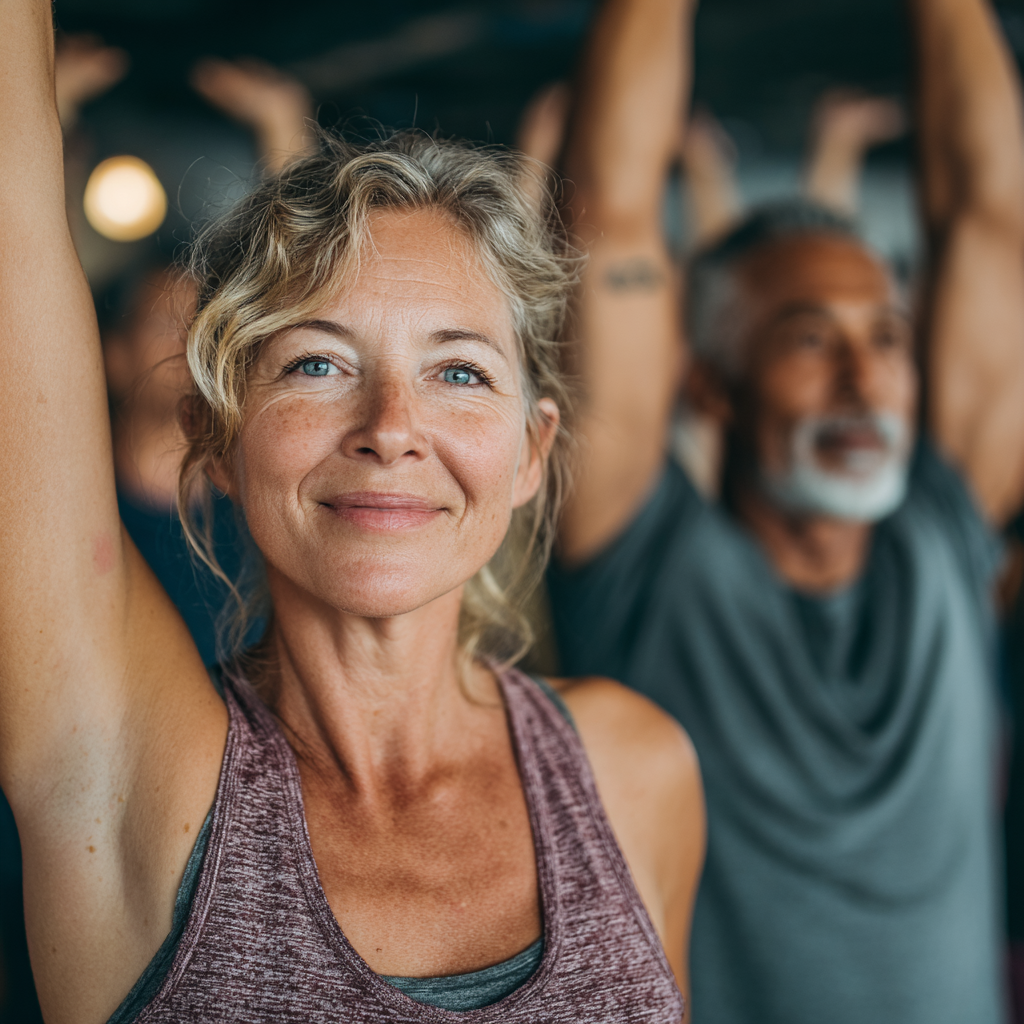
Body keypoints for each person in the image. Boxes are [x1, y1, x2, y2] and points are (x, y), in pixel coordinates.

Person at [0, 5, 706, 1024]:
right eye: (318, 364)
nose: (391, 428)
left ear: (529, 451)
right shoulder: (127, 775)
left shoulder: (635, 769)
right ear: (220, 436)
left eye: (458, 372)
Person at [550, 0, 1024, 1020]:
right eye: (809, 340)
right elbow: (608, 212)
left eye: (886, 338)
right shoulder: (646, 566)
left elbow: (994, 219)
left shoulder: (945, 538)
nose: (863, 379)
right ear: (711, 387)